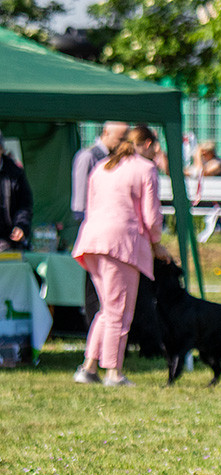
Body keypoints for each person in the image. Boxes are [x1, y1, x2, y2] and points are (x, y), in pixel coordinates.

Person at [71, 125, 172, 387]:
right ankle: (113, 373)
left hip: (92, 240)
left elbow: (90, 206)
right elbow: (151, 217)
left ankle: (89, 368)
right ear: (148, 144)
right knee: (119, 313)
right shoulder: (145, 169)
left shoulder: (102, 166)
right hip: (121, 244)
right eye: (156, 146)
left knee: (107, 310)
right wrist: (156, 243)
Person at [71, 121, 128, 223]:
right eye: (120, 139)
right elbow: (80, 199)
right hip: (91, 219)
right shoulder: (87, 156)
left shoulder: (119, 158)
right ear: (106, 132)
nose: (122, 144)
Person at [0, 130, 33, 252]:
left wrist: (21, 226)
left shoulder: (16, 173)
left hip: (8, 241)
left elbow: (25, 205)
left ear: (2, 149)